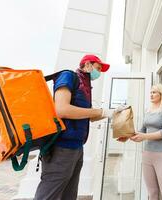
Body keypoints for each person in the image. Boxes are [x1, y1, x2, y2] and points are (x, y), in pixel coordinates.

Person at [34, 55, 118, 200]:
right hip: (61, 149)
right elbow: (61, 109)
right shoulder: (68, 76)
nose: (99, 73)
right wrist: (101, 111)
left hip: (77, 149)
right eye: (98, 68)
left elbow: (89, 116)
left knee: (69, 195)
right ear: (87, 65)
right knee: (48, 195)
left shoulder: (86, 87)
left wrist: (111, 112)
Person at [120, 83, 162, 200]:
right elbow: (142, 131)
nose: (151, 94)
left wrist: (144, 136)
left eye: (154, 92)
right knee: (152, 192)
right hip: (147, 155)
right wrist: (128, 135)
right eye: (150, 92)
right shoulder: (148, 110)